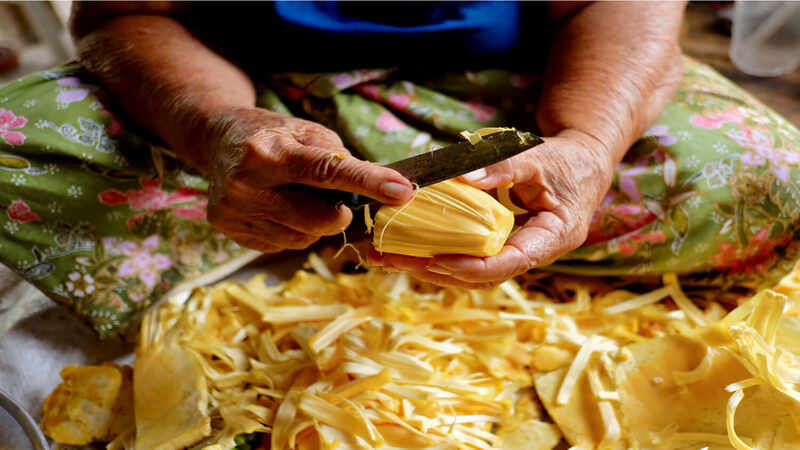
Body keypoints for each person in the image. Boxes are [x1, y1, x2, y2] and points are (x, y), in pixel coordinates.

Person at [1, 1, 799, 336]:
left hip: (508, 96)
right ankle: (269, 213)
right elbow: (123, 14)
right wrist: (217, 130)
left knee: (768, 177)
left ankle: (489, 236)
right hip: (238, 88)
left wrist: (589, 142)